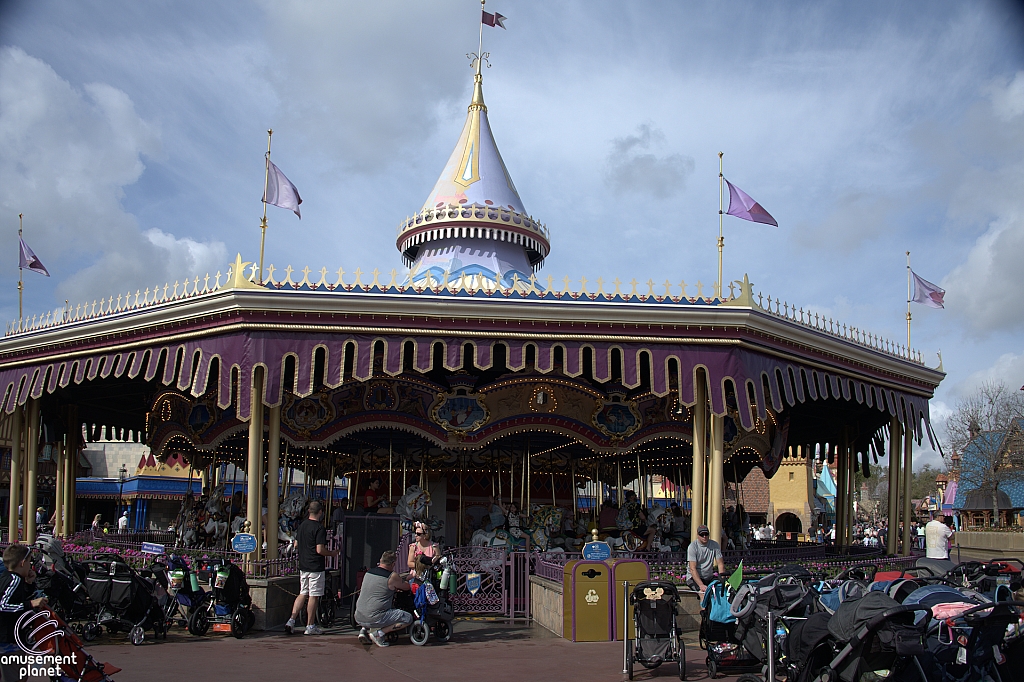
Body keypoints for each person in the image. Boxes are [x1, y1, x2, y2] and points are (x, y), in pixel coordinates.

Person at [285, 500, 339, 635]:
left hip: (304, 564)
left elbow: (296, 544)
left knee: (303, 592)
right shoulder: (319, 528)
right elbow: (320, 549)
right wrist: (332, 553)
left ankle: (291, 620)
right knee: (313, 596)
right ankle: (310, 625)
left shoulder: (302, 526)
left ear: (309, 511)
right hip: (315, 565)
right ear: (320, 512)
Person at [0, 544, 49, 681]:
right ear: (22, 563)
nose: (30, 565)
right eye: (29, 562)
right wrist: (31, 604)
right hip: (8, 642)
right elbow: (3, 605)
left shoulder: (7, 578)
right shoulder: (14, 580)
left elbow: (15, 598)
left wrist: (29, 584)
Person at [354, 550, 414, 648]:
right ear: (393, 564)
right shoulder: (391, 576)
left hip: (358, 616)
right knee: (407, 618)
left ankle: (363, 631)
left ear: (381, 560)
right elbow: (407, 587)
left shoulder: (368, 573)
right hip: (375, 618)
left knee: (370, 603)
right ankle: (379, 634)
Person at [686, 524, 725, 598]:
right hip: (693, 578)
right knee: (703, 593)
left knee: (719, 590)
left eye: (706, 534)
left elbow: (720, 564)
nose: (704, 536)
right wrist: (701, 585)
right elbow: (692, 568)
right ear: (698, 535)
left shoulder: (715, 545)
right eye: (702, 534)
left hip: (708, 577)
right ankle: (704, 609)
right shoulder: (692, 547)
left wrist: (722, 580)